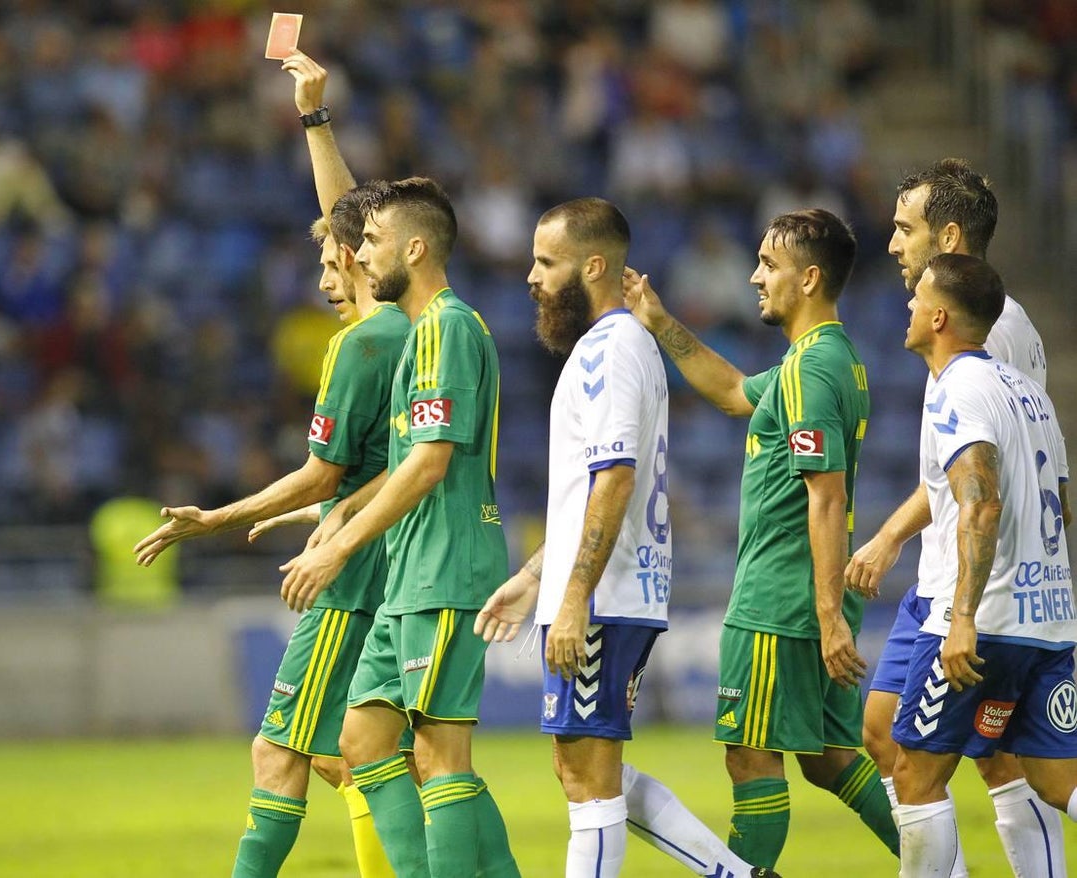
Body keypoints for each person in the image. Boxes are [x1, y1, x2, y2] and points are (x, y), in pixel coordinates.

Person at [133, 53, 412, 878]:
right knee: (355, 752)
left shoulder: (360, 346)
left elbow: (324, 474)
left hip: (352, 570)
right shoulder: (428, 326)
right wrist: (315, 119)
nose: (326, 271)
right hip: (402, 556)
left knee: (279, 752)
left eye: (334, 261)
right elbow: (352, 222)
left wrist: (218, 517)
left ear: (362, 262)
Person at [474, 197, 780, 878]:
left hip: (605, 597)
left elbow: (615, 478)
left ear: (591, 265)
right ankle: (736, 876)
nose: (530, 275)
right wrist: (533, 579)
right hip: (605, 591)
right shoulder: (610, 347)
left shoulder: (610, 350)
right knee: (584, 766)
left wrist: (576, 594)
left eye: (545, 262)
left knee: (587, 778)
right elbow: (592, 491)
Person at [625, 209, 898, 869]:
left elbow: (825, 495)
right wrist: (661, 323)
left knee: (750, 755)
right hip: (809, 597)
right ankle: (941, 864)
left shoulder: (810, 370)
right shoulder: (826, 361)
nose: (754, 277)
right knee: (831, 758)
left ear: (807, 278)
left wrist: (829, 616)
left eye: (768, 266)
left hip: (782, 600)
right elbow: (729, 392)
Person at [277, 176, 520, 878]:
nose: (359, 255)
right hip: (409, 573)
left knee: (440, 754)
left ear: (414, 249)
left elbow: (428, 463)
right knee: (361, 737)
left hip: (446, 565)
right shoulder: (424, 332)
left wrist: (340, 544)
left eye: (373, 243)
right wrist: (339, 513)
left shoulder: (445, 325)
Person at [844, 157, 1061, 877]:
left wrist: (968, 603)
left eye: (906, 229)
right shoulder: (982, 335)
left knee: (983, 760)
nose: (893, 244)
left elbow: (990, 480)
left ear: (949, 236)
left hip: (973, 592)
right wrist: (890, 535)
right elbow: (958, 476)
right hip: (963, 581)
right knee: (885, 732)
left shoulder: (987, 340)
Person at [889, 252, 1077, 876]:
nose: (908, 307)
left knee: (915, 774)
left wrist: (963, 616)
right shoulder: (1029, 395)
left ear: (939, 316)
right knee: (1057, 781)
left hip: (981, 621)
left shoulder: (956, 388)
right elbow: (1064, 510)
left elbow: (981, 501)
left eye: (917, 300)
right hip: (1047, 622)